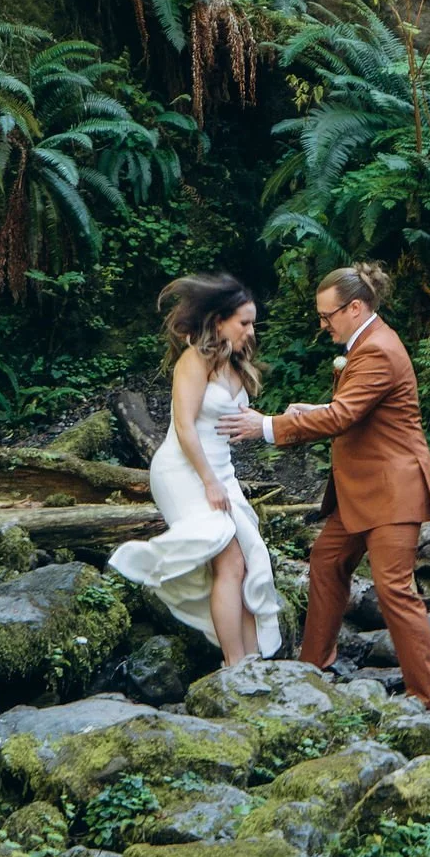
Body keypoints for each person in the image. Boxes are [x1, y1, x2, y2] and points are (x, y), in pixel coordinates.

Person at [219, 260, 430, 708]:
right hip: (363, 490)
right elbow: (353, 407)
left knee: (395, 589)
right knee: (326, 561)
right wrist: (310, 410)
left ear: (356, 308)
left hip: (392, 490)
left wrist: (267, 425)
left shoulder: (377, 349)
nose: (322, 325)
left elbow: (344, 416)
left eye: (327, 316)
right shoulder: (368, 344)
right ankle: (314, 665)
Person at [109, 273, 283, 667]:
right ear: (219, 320)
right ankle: (236, 663)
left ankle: (251, 658)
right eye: (244, 322)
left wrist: (260, 424)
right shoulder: (195, 359)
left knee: (248, 560)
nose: (250, 330)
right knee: (230, 561)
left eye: (252, 322)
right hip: (185, 471)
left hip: (219, 471)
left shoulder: (235, 363)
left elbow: (227, 421)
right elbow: (186, 426)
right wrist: (209, 482)